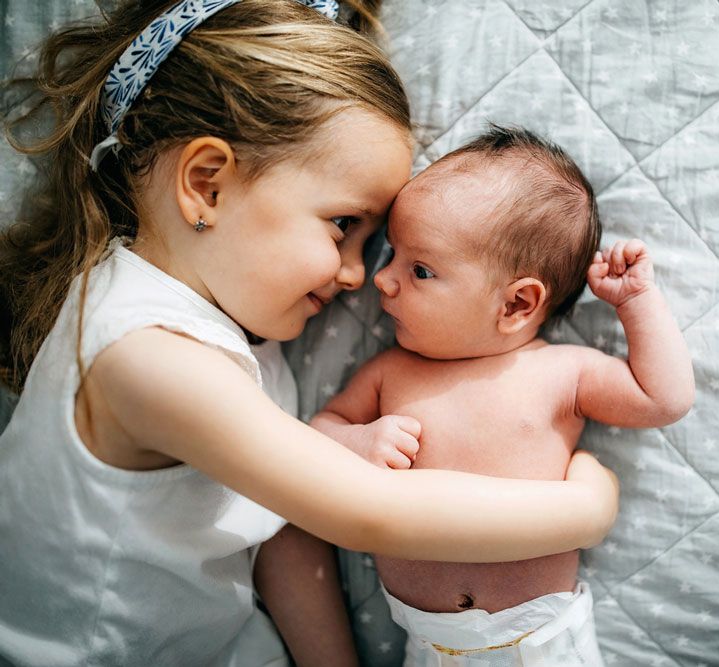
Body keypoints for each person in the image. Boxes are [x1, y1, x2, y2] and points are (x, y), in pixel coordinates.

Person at [0, 3, 620, 666]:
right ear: (207, 185)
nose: (359, 276)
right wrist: (585, 511)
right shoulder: (142, 354)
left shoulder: (240, 339)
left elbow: (281, 529)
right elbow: (365, 510)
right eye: (343, 226)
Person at [308, 125, 696, 666]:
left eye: (420, 270)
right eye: (392, 255)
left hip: (543, 642)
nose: (384, 280)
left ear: (516, 305)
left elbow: (664, 399)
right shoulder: (390, 373)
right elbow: (317, 433)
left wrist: (637, 303)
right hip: (428, 646)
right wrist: (358, 441)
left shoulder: (564, 372)